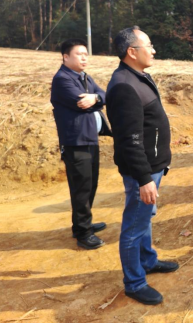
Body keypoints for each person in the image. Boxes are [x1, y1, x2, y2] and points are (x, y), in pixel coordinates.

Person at [106, 26, 178, 306]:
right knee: (134, 226)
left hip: (151, 166)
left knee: (144, 218)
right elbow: (129, 140)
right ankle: (134, 283)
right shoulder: (124, 86)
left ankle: (147, 261)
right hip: (141, 171)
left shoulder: (136, 76)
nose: (154, 50)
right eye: (149, 45)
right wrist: (145, 178)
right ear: (132, 52)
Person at [50, 38, 110, 250]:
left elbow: (104, 95)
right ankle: (83, 233)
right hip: (75, 142)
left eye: (86, 54)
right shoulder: (62, 79)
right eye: (79, 54)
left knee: (90, 184)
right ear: (65, 57)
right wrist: (95, 100)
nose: (84, 58)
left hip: (89, 139)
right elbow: (81, 103)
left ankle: (83, 224)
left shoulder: (85, 77)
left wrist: (95, 98)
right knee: (81, 188)